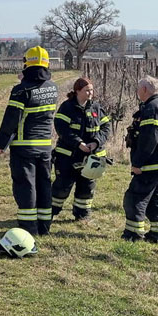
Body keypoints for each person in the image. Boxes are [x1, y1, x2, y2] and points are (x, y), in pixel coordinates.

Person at [0, 46, 58, 236]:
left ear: (26, 63)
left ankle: (28, 228)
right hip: (45, 146)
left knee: (26, 185)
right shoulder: (53, 88)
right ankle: (44, 226)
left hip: (24, 146)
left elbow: (11, 120)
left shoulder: (20, 90)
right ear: (47, 64)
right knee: (44, 184)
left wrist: (0, 144)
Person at [122, 75, 158, 243]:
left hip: (151, 164)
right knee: (156, 200)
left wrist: (138, 163)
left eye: (139, 88)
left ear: (145, 89)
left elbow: (149, 139)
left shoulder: (152, 108)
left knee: (134, 198)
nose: (137, 91)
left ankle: (133, 234)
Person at [51, 78, 111, 220]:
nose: (90, 93)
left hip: (91, 157)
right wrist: (78, 143)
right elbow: (62, 128)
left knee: (87, 186)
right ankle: (49, 213)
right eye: (87, 90)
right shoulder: (67, 107)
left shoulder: (96, 107)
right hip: (68, 156)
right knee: (62, 186)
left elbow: (106, 128)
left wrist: (96, 142)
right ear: (77, 91)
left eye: (91, 90)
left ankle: (82, 214)